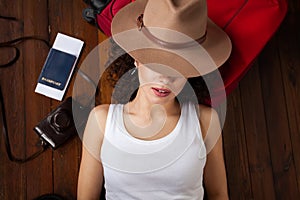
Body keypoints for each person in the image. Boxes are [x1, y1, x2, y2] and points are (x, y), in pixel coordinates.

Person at [77, 0, 232, 199]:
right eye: (157, 64)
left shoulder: (205, 121)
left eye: (179, 68)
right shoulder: (102, 121)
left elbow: (219, 194)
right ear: (137, 57)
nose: (165, 79)